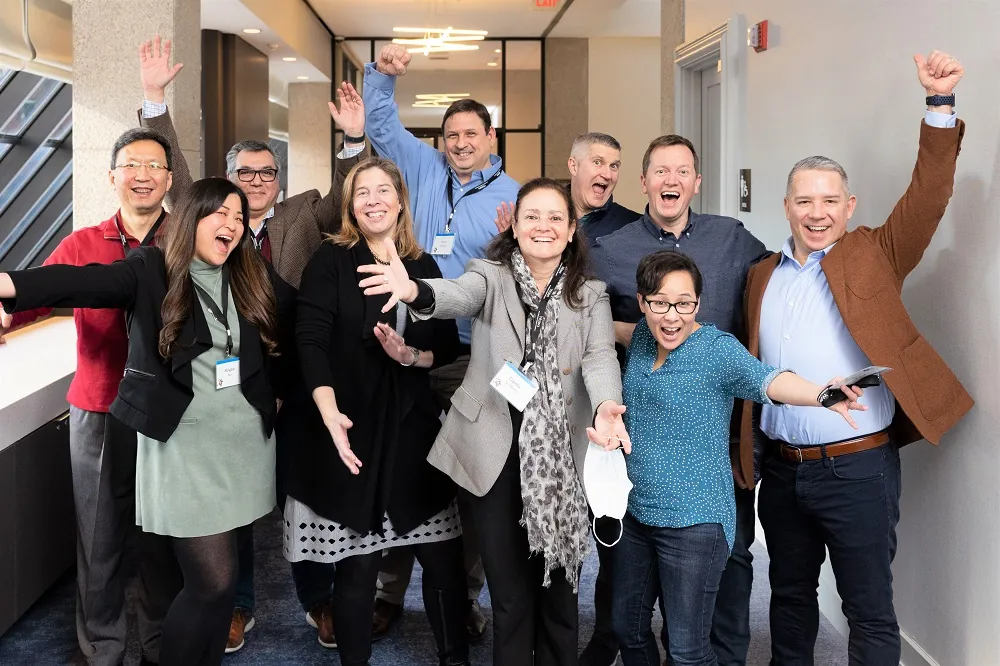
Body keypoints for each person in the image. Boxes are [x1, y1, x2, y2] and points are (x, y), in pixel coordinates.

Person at [136, 35, 370, 652]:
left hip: (296, 382)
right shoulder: (213, 220)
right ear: (229, 184)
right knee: (230, 504)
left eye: (268, 173)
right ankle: (234, 605)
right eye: (246, 175)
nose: (258, 182)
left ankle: (318, 600)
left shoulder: (302, 215)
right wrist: (154, 100)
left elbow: (351, 197)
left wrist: (352, 140)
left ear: (279, 180)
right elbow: (179, 181)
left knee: (306, 493)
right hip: (229, 396)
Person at [740, 51, 973, 665]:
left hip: (858, 473)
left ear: (849, 206)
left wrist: (939, 105)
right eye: (803, 201)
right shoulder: (761, 275)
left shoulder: (876, 254)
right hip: (784, 474)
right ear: (786, 206)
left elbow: (928, 194)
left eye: (829, 201)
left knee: (868, 610)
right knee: (788, 599)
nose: (816, 213)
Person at [0, 178, 292, 666]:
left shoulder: (248, 272)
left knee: (222, 591)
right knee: (211, 581)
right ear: (191, 218)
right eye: (220, 213)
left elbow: (300, 316)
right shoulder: (153, 269)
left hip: (242, 448)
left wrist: (281, 391)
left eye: (239, 218)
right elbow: (86, 281)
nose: (233, 225)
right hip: (184, 448)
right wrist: (9, 284)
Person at [359, 177, 631, 666]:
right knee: (509, 594)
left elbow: (599, 357)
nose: (542, 226)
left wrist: (607, 403)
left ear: (572, 230)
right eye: (532, 216)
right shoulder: (489, 274)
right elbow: (456, 296)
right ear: (514, 225)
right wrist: (414, 291)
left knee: (560, 594)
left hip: (562, 458)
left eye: (555, 218)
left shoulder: (590, 294)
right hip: (495, 450)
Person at [614, 250, 866, 666]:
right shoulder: (643, 335)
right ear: (643, 302)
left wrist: (821, 394)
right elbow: (608, 329)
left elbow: (769, 380)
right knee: (627, 627)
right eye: (659, 302)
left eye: (684, 303)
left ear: (699, 302)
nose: (672, 316)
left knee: (688, 651)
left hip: (695, 523)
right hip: (637, 513)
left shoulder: (717, 350)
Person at [585, 135, 768, 666]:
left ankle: (723, 658)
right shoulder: (610, 249)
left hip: (720, 437)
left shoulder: (732, 238)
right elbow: (592, 322)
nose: (671, 181)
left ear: (696, 181)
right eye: (660, 171)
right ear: (642, 182)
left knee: (729, 565)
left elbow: (776, 286)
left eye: (682, 171)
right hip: (643, 437)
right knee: (631, 581)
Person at [362, 42, 520, 638]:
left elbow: (527, 276)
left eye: (470, 133)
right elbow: (380, 124)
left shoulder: (517, 198)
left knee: (472, 478)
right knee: (404, 474)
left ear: (490, 136)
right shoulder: (421, 170)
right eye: (450, 134)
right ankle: (388, 591)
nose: (459, 142)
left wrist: (513, 240)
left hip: (474, 356)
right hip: (403, 348)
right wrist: (381, 75)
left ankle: (467, 595)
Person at [282, 156, 467, 666]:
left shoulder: (423, 266)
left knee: (443, 559)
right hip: (351, 428)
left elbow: (447, 345)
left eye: (383, 190)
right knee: (359, 568)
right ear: (350, 206)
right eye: (362, 193)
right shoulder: (330, 261)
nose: (373, 200)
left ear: (400, 200)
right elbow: (310, 341)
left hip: (411, 429)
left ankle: (455, 658)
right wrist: (328, 413)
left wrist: (410, 355)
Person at [0, 127, 174, 665]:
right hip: (97, 406)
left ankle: (156, 642)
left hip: (169, 415)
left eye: (153, 165)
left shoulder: (185, 242)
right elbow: (28, 301)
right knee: (98, 538)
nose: (141, 175)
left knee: (160, 536)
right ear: (112, 176)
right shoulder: (81, 244)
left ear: (169, 178)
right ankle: (102, 645)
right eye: (130, 165)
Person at [567, 132, 641, 244]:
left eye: (614, 166)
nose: (607, 175)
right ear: (574, 166)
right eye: (597, 162)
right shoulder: (542, 215)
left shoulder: (634, 226)